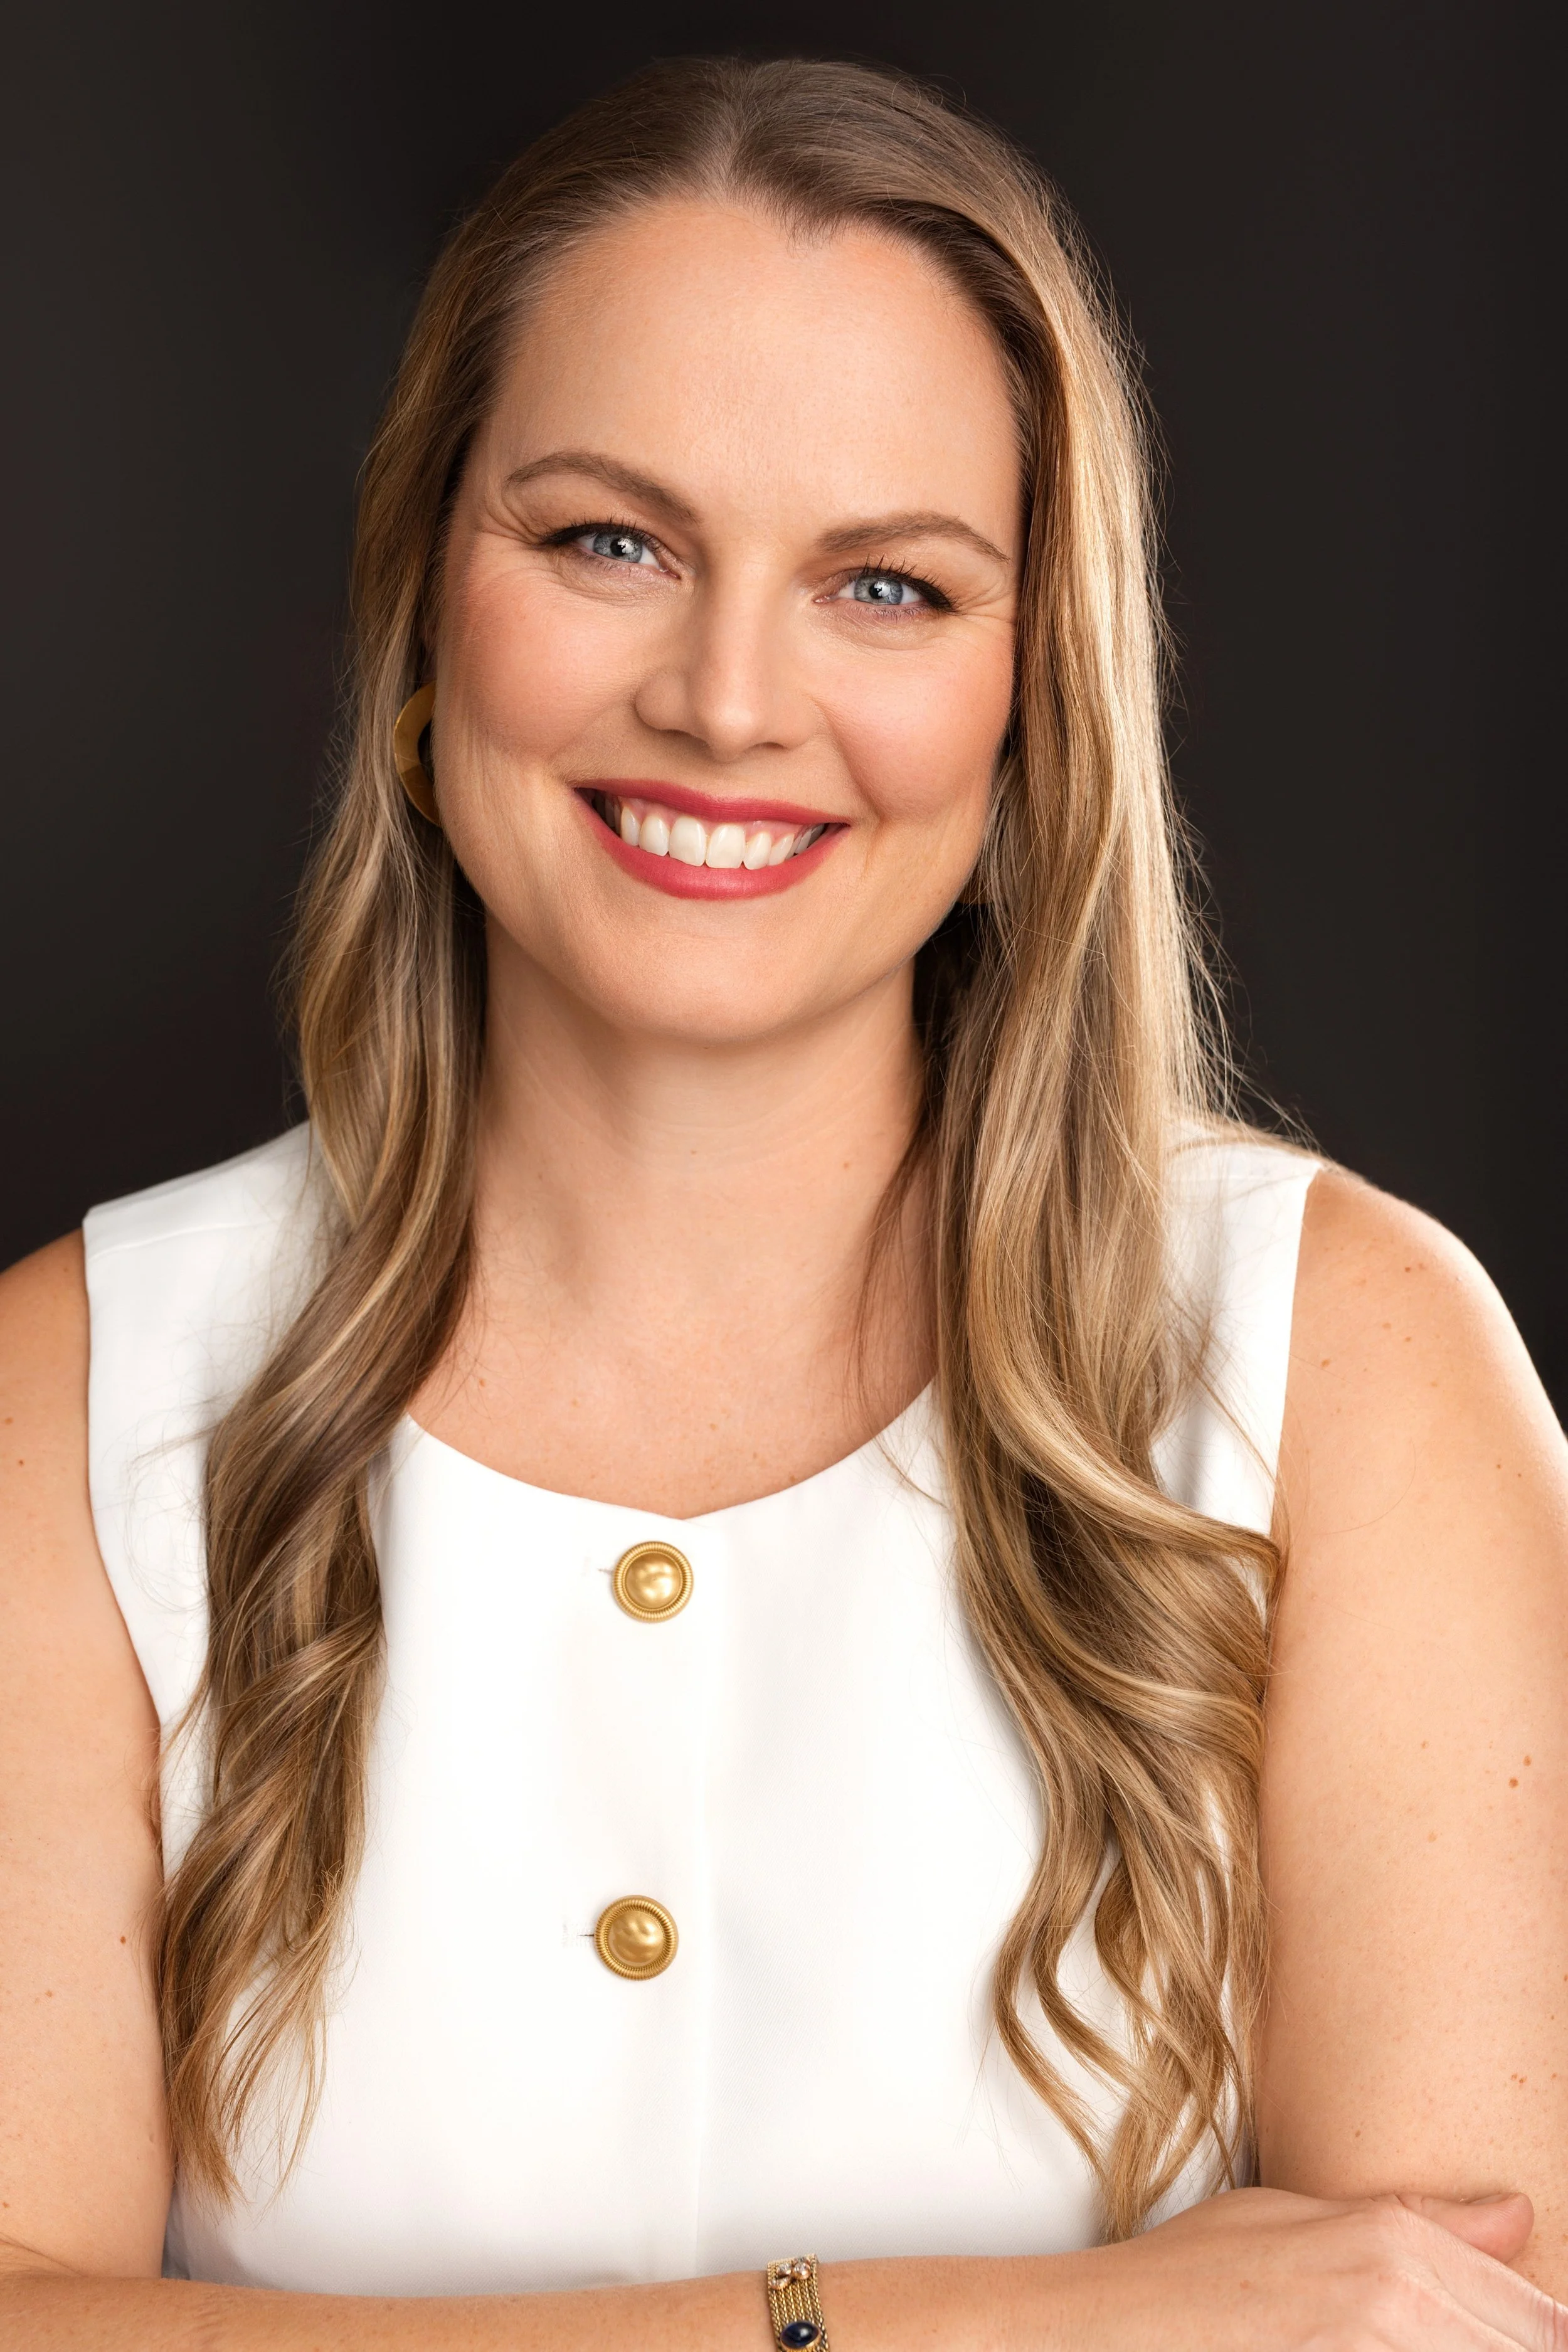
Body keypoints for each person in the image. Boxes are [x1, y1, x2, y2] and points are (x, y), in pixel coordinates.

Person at [1, 53, 1564, 2352]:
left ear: (1037, 689)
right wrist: (951, 2327)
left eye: (886, 586)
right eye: (606, 540)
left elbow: (1450, 2330)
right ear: (427, 594)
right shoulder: (74, 1389)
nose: (730, 699)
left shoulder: (1342, 1358)